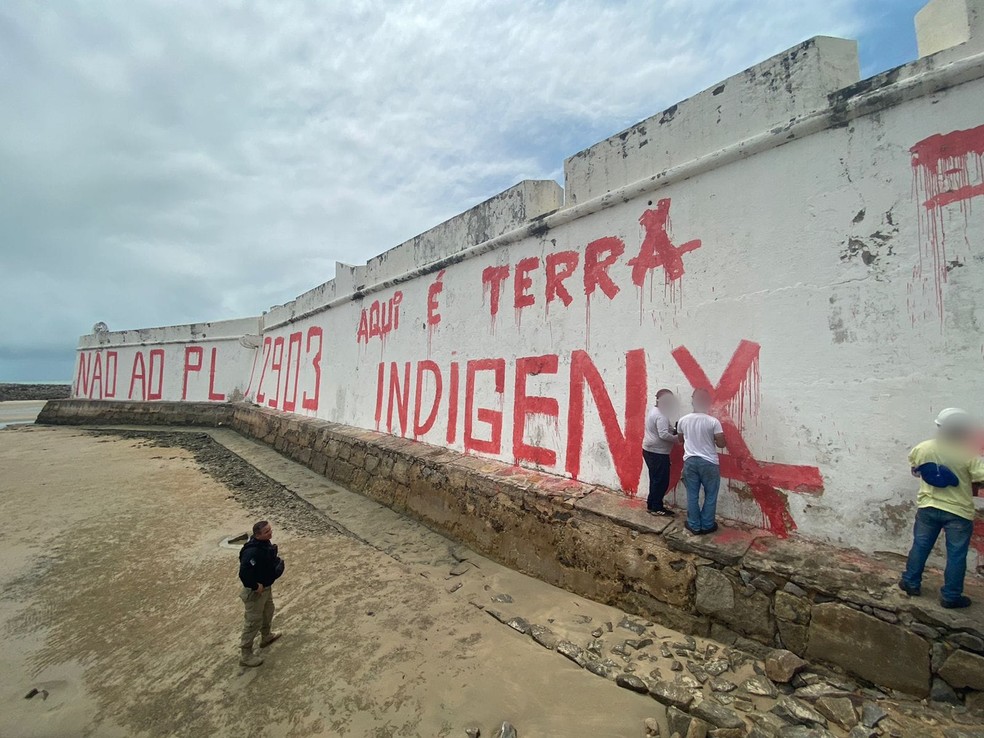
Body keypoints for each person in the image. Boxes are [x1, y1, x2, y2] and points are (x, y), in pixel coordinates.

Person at [899, 408, 984, 609]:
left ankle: (910, 583)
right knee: (956, 554)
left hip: (928, 506)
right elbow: (981, 477)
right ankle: (951, 596)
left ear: (940, 427)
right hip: (958, 511)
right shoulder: (968, 454)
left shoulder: (923, 448)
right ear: (962, 431)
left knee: (920, 546)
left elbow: (915, 469)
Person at [676, 389, 726, 535]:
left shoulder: (683, 420)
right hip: (709, 462)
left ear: (693, 401)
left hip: (690, 461)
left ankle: (694, 525)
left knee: (692, 494)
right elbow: (721, 444)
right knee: (711, 494)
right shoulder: (713, 422)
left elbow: (680, 439)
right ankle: (708, 524)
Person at [238, 520, 285, 666]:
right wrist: (254, 586)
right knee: (253, 622)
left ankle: (266, 636)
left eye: (270, 530)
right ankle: (245, 655)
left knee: (268, 611)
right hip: (255, 593)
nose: (270, 533)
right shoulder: (252, 551)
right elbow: (244, 572)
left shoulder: (265, 545)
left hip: (266, 588)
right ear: (258, 535)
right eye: (267, 532)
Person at [643, 389, 681, 516]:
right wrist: (677, 439)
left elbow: (666, 428)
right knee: (661, 481)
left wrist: (673, 430)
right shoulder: (661, 415)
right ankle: (656, 507)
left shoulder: (655, 411)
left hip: (650, 450)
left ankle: (652, 504)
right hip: (657, 452)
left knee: (655, 479)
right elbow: (664, 434)